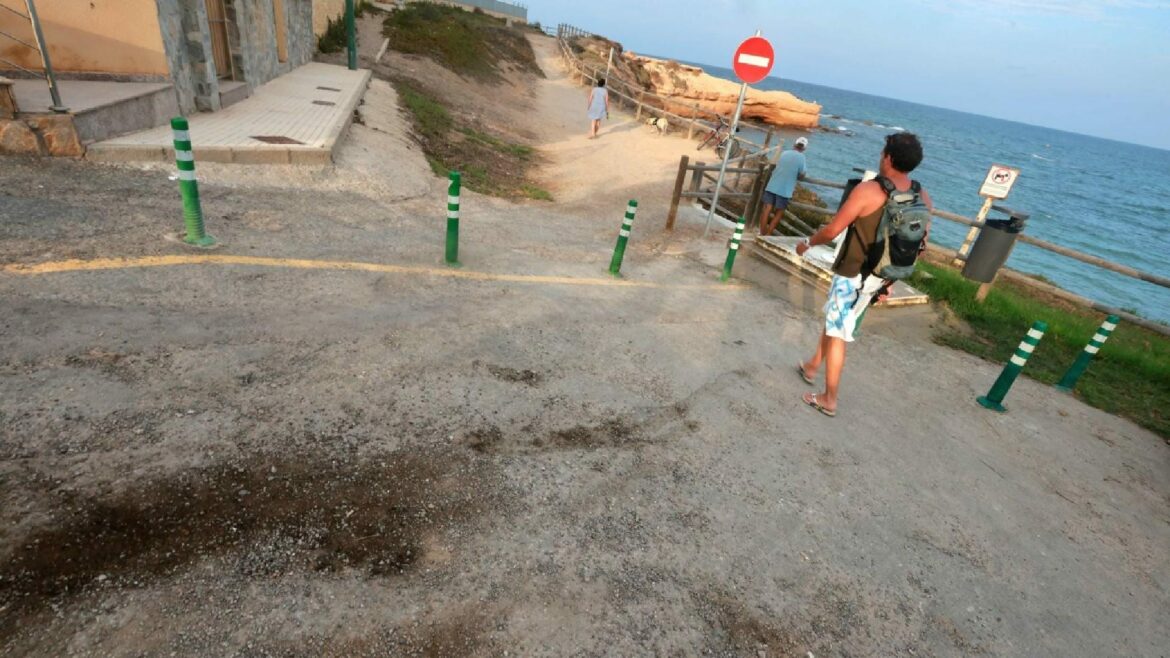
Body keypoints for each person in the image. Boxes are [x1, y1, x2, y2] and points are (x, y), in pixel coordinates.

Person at [794, 133, 932, 417]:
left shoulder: (870, 191)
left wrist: (808, 243)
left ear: (889, 158)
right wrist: (891, 277)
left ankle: (829, 398)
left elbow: (833, 230)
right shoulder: (922, 196)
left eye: (883, 151)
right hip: (880, 277)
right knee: (836, 321)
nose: (881, 156)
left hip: (853, 274)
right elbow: (921, 243)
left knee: (839, 332)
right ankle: (811, 366)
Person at [758, 136, 809, 236]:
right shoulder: (802, 157)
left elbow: (776, 164)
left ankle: (762, 233)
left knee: (766, 210)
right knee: (779, 213)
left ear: (795, 144)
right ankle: (767, 235)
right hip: (785, 190)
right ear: (804, 148)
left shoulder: (784, 153)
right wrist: (799, 175)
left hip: (772, 185)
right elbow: (802, 174)